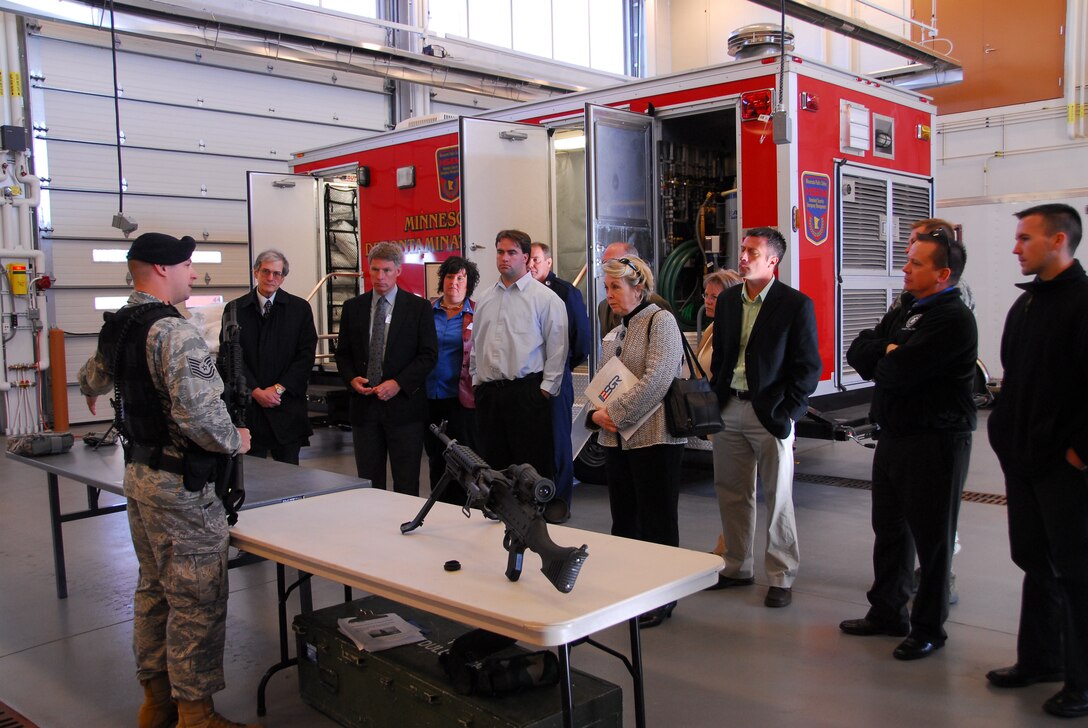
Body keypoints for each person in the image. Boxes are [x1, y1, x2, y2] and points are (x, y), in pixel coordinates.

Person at [77, 232, 254, 728]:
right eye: (187, 266)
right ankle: (196, 715)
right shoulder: (174, 332)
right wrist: (235, 438)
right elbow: (201, 417)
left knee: (153, 592)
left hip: (140, 480)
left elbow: (91, 378)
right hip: (183, 492)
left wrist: (94, 392)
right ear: (160, 269)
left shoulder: (120, 326)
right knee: (196, 603)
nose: (192, 275)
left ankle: (156, 703)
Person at [839, 226, 976, 661]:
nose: (905, 268)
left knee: (932, 539)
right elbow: (858, 352)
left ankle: (929, 627)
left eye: (916, 263)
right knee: (891, 530)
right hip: (895, 437)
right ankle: (887, 611)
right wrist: (889, 348)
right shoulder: (906, 307)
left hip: (935, 442)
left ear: (943, 273)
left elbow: (899, 372)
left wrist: (890, 355)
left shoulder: (952, 318)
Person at [985, 203, 1088, 718]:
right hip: (1023, 460)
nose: (1015, 247)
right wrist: (1005, 433)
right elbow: (1015, 378)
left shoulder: (1083, 301)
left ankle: (1082, 681)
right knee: (1035, 561)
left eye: (1026, 238)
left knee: (1076, 572)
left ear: (1059, 241)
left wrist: (1078, 452)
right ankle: (1040, 659)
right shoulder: (1027, 305)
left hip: (1064, 466)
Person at [705, 226, 821, 608]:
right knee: (732, 494)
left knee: (779, 497)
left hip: (769, 413)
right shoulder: (728, 302)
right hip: (729, 409)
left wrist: (788, 412)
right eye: (742, 250)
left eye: (752, 252)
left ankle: (781, 576)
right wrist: (714, 401)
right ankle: (736, 567)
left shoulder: (795, 305)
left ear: (773, 261)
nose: (742, 257)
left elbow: (808, 369)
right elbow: (721, 357)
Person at [587, 255, 686, 627]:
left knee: (657, 522)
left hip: (654, 440)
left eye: (616, 287)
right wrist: (596, 413)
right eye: (607, 287)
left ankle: (662, 596)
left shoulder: (661, 321)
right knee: (625, 520)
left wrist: (614, 415)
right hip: (618, 442)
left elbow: (658, 378)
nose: (609, 295)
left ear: (639, 288)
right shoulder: (620, 326)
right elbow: (605, 378)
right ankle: (630, 588)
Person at [336, 242, 437, 495]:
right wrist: (351, 380)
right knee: (369, 483)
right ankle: (373, 530)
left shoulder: (419, 308)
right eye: (375, 270)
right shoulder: (353, 308)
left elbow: (428, 355)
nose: (380, 277)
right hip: (365, 408)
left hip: (404, 409)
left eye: (387, 271)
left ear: (398, 271)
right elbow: (343, 354)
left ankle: (406, 528)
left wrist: (398, 383)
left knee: (406, 481)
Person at [470, 229, 568, 489]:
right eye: (500, 252)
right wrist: (476, 380)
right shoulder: (485, 299)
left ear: (525, 257)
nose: (505, 258)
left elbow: (558, 350)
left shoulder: (546, 299)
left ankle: (533, 527)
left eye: (512, 252)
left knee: (531, 474)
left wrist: (545, 391)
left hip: (527, 395)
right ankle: (497, 523)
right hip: (490, 396)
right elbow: (476, 345)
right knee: (494, 473)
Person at [221, 249, 317, 465]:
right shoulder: (235, 309)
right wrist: (255, 391)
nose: (271, 278)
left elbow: (305, 356)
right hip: (249, 408)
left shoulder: (299, 309)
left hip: (286, 405)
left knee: (289, 476)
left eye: (277, 273)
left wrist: (278, 389)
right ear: (256, 272)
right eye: (266, 272)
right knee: (252, 476)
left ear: (283, 277)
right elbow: (230, 356)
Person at [529, 241, 591, 509]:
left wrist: (562, 365)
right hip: (529, 379)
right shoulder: (524, 293)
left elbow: (581, 342)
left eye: (536, 260)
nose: (531, 265)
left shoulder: (566, 293)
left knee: (557, 443)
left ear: (549, 263)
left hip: (556, 377)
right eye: (528, 260)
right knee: (534, 441)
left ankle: (559, 503)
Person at [424, 255, 480, 505]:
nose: (454, 282)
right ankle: (438, 504)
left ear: (469, 283)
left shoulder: (477, 314)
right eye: (449, 276)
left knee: (462, 455)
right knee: (435, 456)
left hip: (461, 398)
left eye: (461, 278)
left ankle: (465, 504)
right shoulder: (426, 311)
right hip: (428, 397)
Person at [694, 268, 743, 558]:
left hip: (731, 414)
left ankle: (731, 547)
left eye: (716, 296)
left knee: (735, 487)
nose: (708, 301)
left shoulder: (733, 328)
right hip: (716, 413)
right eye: (706, 295)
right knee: (725, 486)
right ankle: (729, 543)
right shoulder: (713, 328)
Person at [597, 242, 672, 338]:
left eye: (614, 262)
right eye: (604, 263)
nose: (608, 268)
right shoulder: (604, 307)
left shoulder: (657, 307)